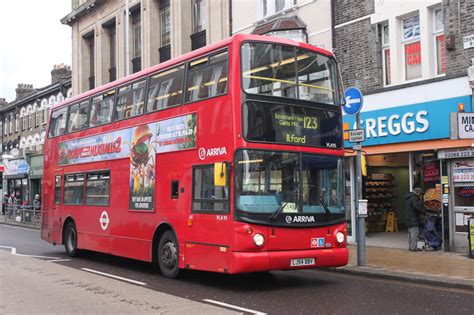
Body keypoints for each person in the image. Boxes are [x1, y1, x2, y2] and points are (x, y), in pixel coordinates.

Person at [405, 187, 425, 252]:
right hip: (413, 219)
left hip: (408, 219)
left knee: (410, 234)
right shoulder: (414, 198)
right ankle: (413, 248)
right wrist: (424, 212)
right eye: (420, 194)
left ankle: (411, 247)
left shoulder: (409, 197)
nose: (420, 195)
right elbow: (416, 207)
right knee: (414, 234)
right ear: (417, 192)